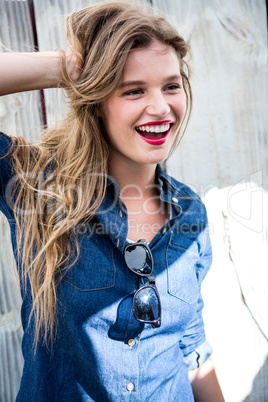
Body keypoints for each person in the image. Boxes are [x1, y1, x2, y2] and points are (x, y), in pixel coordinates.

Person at [0, 1, 225, 401]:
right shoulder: (37, 186)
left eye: (171, 85)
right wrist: (67, 69)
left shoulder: (192, 214)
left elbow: (193, 349)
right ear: (98, 101)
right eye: (133, 90)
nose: (160, 108)